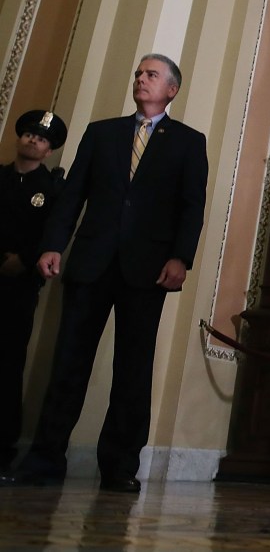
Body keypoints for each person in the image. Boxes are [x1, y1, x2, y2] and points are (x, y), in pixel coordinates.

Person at [3, 53, 208, 493]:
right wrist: (54, 244)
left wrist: (181, 258)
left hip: (148, 270)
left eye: (151, 75)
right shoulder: (102, 134)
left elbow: (191, 207)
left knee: (133, 371)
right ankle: (44, 459)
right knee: (68, 365)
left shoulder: (189, 142)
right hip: (92, 264)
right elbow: (73, 194)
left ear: (171, 89)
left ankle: (118, 466)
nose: (140, 79)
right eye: (137, 73)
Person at [0, 110, 67, 472]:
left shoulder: (51, 188)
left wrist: (24, 260)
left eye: (41, 139)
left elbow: (51, 231)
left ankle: (3, 442)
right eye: (28, 134)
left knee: (8, 361)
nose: (32, 141)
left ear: (48, 150)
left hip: (20, 286)